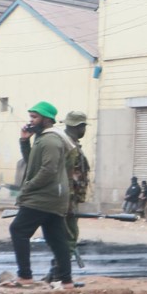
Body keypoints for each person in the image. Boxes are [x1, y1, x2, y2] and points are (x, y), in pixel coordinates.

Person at [6, 101, 73, 288]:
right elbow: (32, 163)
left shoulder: (51, 140)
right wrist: (24, 141)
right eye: (30, 117)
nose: (31, 121)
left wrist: (27, 188)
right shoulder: (42, 138)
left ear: (47, 119)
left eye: (34, 117)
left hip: (43, 196)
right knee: (56, 239)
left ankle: (25, 276)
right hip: (51, 197)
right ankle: (66, 281)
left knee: (18, 230)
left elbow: (48, 170)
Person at [57, 110, 90, 280]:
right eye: (84, 126)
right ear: (79, 127)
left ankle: (59, 273)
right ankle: (58, 275)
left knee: (67, 237)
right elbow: (67, 176)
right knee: (68, 238)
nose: (85, 130)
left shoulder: (70, 143)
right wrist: (68, 202)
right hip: (67, 200)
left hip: (70, 199)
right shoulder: (68, 146)